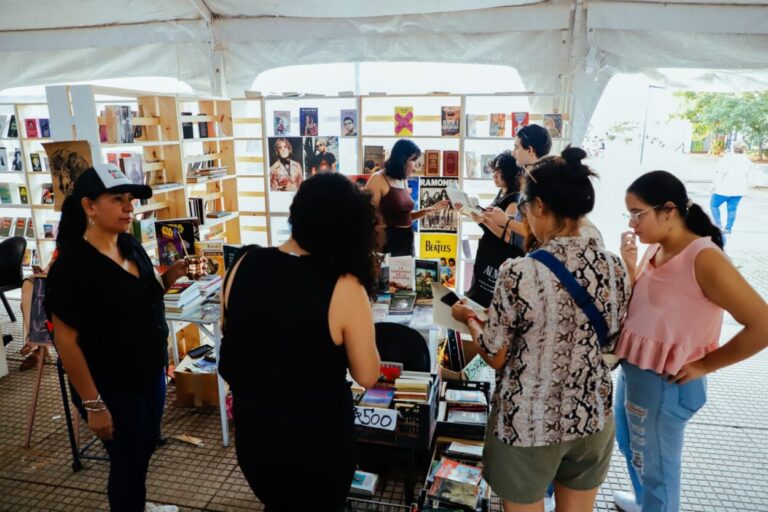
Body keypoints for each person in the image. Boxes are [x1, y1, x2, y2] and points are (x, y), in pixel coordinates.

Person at [451, 147, 631, 512]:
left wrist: (469, 319)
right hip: (591, 417)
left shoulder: (520, 272)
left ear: (540, 207)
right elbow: (612, 341)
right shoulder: (615, 266)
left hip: (529, 423)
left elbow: (496, 355)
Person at [219, 173, 381, 512]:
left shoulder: (243, 263)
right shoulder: (344, 286)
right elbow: (367, 375)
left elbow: (231, 335)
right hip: (317, 444)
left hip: (255, 436)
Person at [613, 170, 768, 512]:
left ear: (668, 210)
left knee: (659, 469)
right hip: (636, 369)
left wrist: (705, 364)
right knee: (630, 444)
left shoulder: (704, 257)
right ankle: (645, 503)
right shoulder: (656, 246)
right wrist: (629, 265)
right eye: (630, 214)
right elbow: (650, 299)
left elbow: (762, 323)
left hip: (666, 381)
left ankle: (657, 504)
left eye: (638, 213)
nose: (632, 222)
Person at [45, 164, 187, 512]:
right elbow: (66, 343)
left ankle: (134, 503)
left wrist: (174, 275)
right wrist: (94, 405)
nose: (129, 207)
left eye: (130, 200)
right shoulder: (72, 267)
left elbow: (148, 294)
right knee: (128, 460)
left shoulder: (130, 245)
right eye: (117, 199)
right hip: (111, 385)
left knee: (144, 447)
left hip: (149, 375)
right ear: (89, 206)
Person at [365, 139, 449, 256]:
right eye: (413, 160)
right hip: (387, 243)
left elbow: (403, 216)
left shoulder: (403, 180)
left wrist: (430, 210)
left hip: (407, 240)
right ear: (402, 159)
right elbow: (363, 215)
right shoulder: (378, 179)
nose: (415, 167)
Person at [464, 151, 525, 307]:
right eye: (495, 170)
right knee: (477, 298)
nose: (495, 175)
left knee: (488, 302)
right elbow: (492, 222)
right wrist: (477, 216)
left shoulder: (514, 199)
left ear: (510, 175)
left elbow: (507, 236)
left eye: (500, 172)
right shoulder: (502, 192)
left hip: (498, 258)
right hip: (488, 253)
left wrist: (484, 220)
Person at [710, 142, 751, 235]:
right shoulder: (747, 161)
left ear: (733, 148)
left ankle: (718, 225)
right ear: (743, 150)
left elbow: (720, 172)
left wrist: (714, 186)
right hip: (739, 190)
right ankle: (728, 229)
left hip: (723, 189)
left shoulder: (727, 159)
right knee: (732, 209)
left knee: (714, 205)